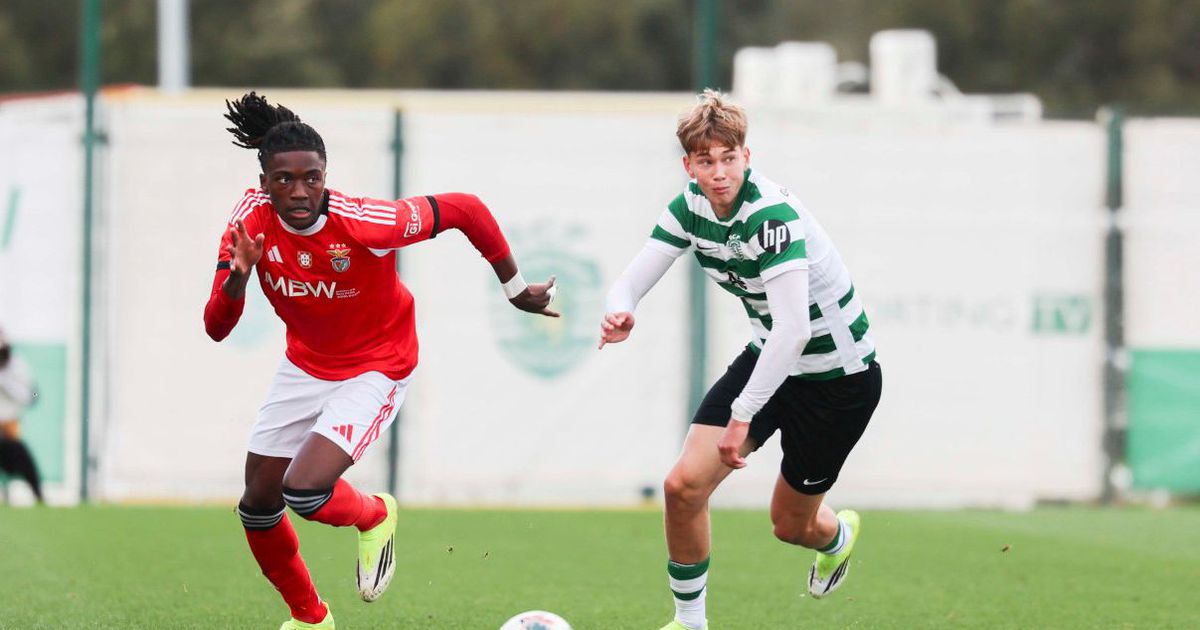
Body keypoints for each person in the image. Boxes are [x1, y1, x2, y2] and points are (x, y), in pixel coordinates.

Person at [205, 92, 558, 630]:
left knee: (304, 490)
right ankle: (311, 619)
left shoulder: (366, 223)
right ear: (263, 182)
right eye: (284, 180)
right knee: (257, 504)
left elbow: (465, 208)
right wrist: (239, 275)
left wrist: (513, 288)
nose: (299, 192)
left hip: (378, 366)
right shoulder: (249, 227)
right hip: (305, 365)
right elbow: (216, 327)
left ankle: (375, 514)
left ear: (326, 176)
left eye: (312, 178)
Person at [598, 90, 881, 630]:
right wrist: (620, 311)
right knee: (683, 488)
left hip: (837, 379)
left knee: (790, 527)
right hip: (770, 356)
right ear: (690, 165)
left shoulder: (770, 215)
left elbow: (796, 330)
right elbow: (630, 280)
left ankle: (837, 537)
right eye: (706, 161)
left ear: (746, 157)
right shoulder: (689, 205)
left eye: (729, 158)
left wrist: (743, 415)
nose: (719, 172)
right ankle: (689, 622)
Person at [0, 327, 43, 504]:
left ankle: (39, 495)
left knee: (23, 457)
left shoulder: (17, 365)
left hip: (9, 427)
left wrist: (7, 384)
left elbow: (34, 395)